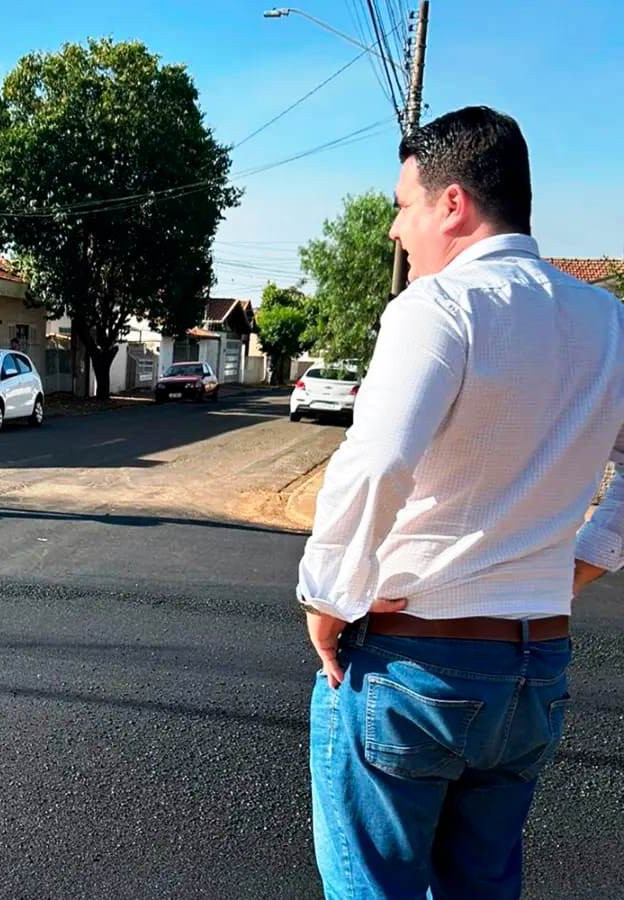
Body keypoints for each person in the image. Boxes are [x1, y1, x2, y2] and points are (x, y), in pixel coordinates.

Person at [297, 106, 624, 898]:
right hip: (534, 668)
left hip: (416, 662)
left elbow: (375, 462)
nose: (393, 230)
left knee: (375, 884)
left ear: (453, 204)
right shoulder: (609, 323)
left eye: (403, 204)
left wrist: (327, 597)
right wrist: (581, 564)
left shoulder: (439, 308)